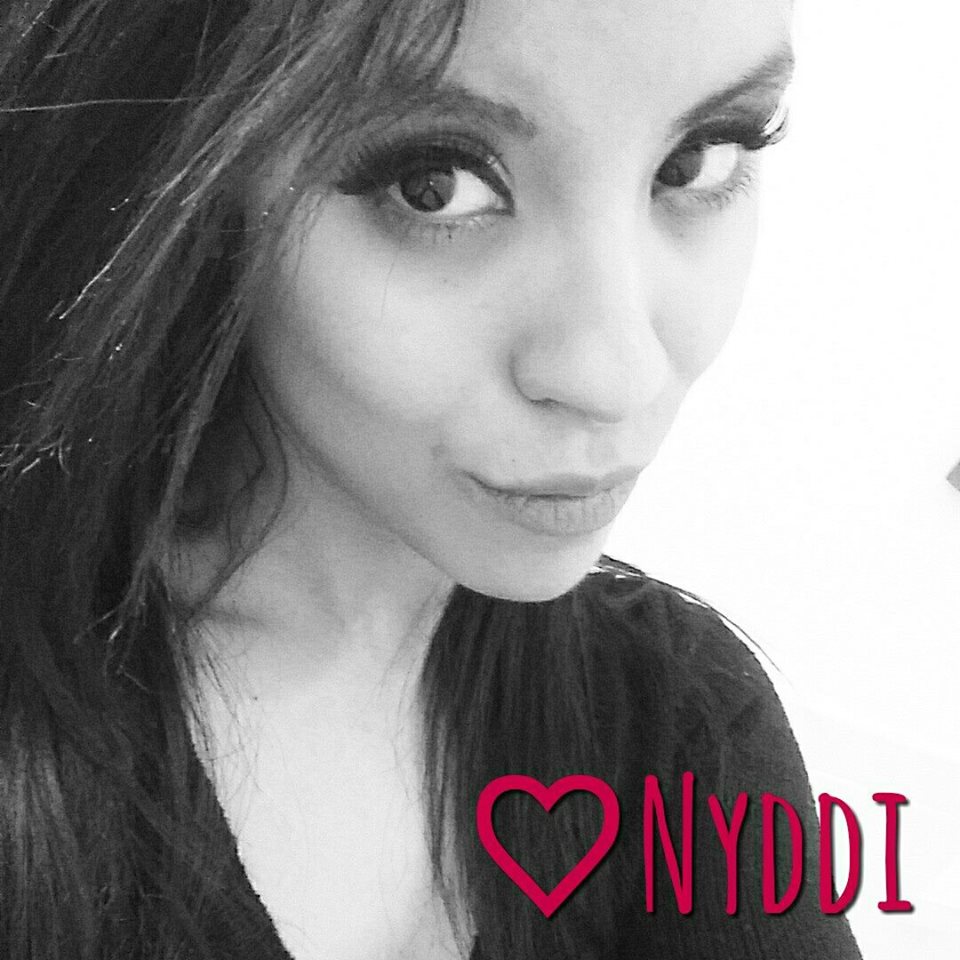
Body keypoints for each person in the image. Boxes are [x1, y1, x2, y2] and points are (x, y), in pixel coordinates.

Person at [0, 0, 862, 957]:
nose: (618, 374)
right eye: (435, 185)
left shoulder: (683, 719)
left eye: (696, 160)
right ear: (200, 181)